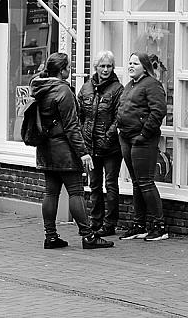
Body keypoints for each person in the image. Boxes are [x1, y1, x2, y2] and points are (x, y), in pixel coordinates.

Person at [30, 52, 114, 250]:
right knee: (76, 192)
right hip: (64, 150)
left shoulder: (40, 87)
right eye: (68, 67)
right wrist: (83, 152)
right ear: (62, 70)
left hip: (46, 148)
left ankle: (51, 236)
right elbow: (71, 126)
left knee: (51, 193)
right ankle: (88, 236)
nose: (70, 69)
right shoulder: (63, 91)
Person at [116, 52, 169, 241]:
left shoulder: (152, 85)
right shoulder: (130, 85)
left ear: (145, 67)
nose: (131, 66)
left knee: (145, 182)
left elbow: (158, 111)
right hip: (126, 137)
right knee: (136, 182)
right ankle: (139, 225)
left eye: (135, 63)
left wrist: (144, 134)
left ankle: (159, 226)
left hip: (143, 140)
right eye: (129, 63)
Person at [77, 50, 123, 237]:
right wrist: (83, 135)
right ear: (95, 67)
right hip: (90, 146)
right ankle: (95, 222)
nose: (105, 70)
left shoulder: (118, 89)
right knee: (94, 184)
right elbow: (79, 115)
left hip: (111, 148)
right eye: (102, 66)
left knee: (110, 184)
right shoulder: (86, 88)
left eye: (109, 66)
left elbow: (119, 117)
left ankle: (109, 224)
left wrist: (107, 137)